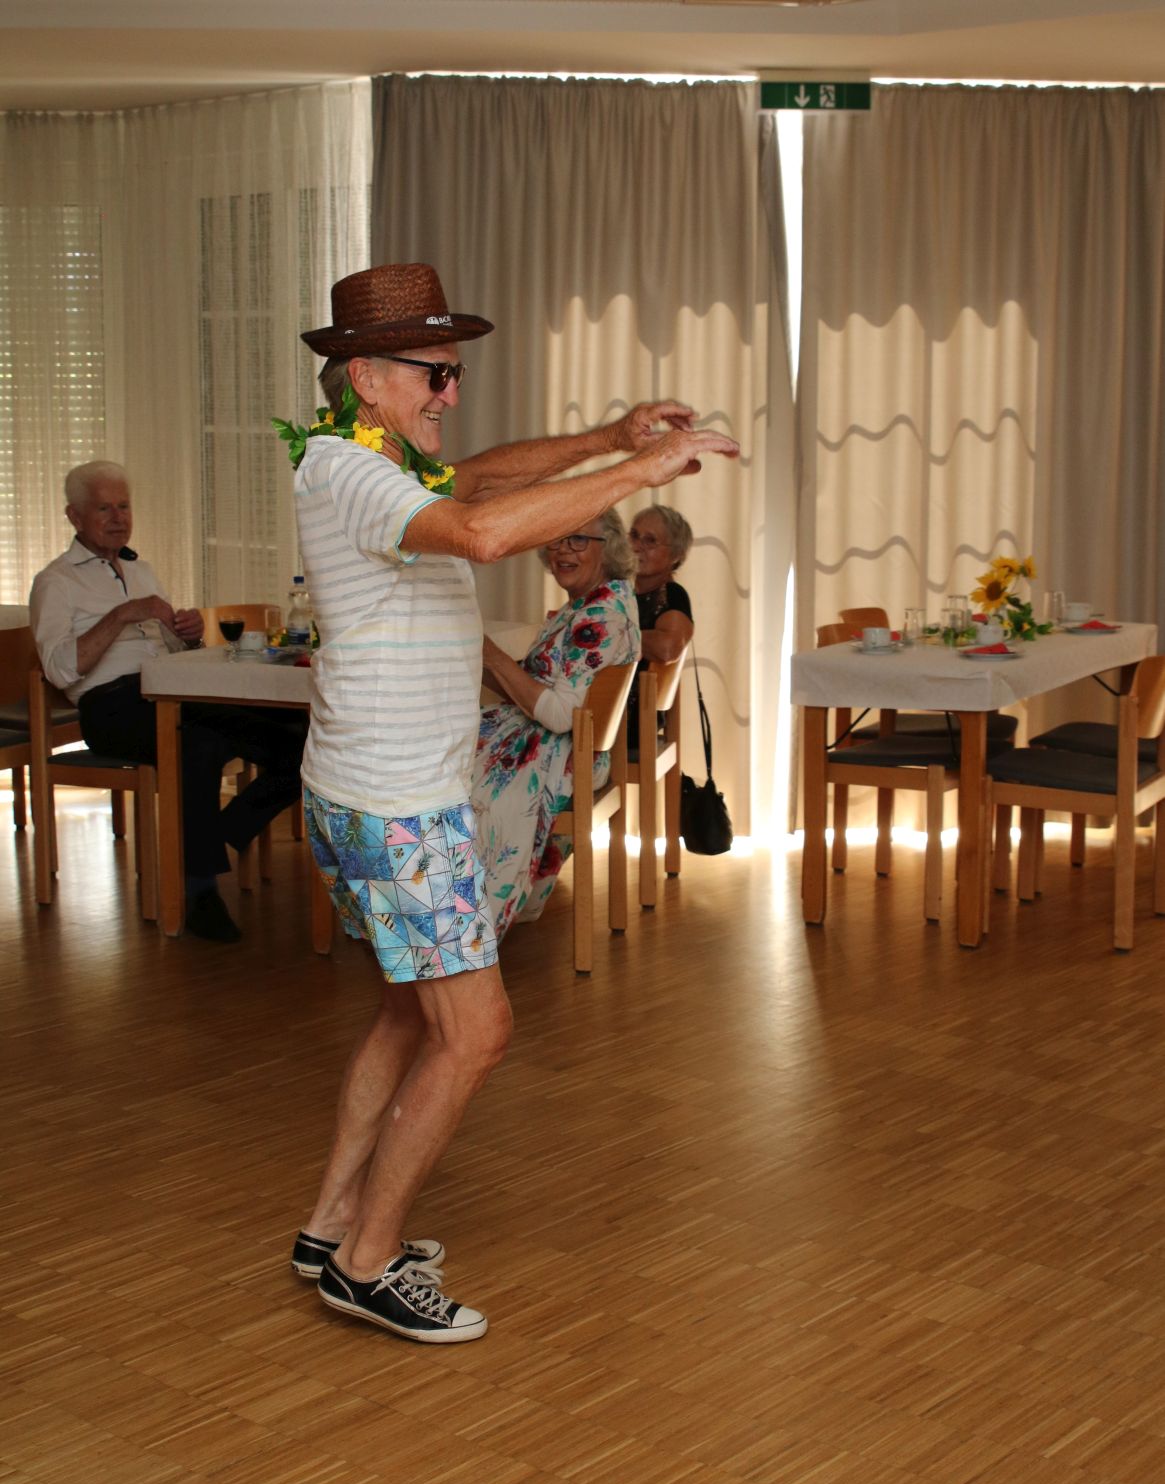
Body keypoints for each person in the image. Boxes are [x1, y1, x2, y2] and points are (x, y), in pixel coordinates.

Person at [289, 261, 738, 1345]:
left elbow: (485, 478)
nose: (451, 392)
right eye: (433, 373)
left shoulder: (380, 458)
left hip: (380, 788)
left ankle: (330, 1224)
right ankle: (365, 1262)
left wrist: (606, 437)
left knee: (411, 1011)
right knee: (478, 1030)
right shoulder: (349, 471)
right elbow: (487, 532)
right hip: (398, 805)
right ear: (364, 376)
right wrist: (646, 464)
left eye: (454, 372)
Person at [29, 461, 307, 943]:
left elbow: (174, 652)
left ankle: (223, 833)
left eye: (124, 506)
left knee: (298, 735)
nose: (118, 518)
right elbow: (59, 669)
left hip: (171, 689)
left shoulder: (142, 570)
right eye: (104, 508)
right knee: (197, 745)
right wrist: (121, 615)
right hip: (111, 707)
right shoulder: (55, 581)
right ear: (74, 516)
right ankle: (199, 891)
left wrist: (188, 635)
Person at [473, 510, 639, 940]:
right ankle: (440, 910)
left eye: (578, 540)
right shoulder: (587, 604)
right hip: (557, 743)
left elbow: (561, 715)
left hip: (568, 754)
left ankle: (460, 923)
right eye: (556, 539)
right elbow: (532, 690)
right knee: (443, 749)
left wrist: (492, 656)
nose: (563, 550)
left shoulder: (601, 616)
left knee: (443, 780)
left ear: (608, 549)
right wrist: (472, 656)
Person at [625, 504, 696, 755]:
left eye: (650, 540)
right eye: (634, 536)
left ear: (675, 555)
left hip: (628, 723)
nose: (636, 546)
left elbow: (667, 648)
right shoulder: (622, 593)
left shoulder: (673, 595)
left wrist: (610, 636)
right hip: (608, 716)